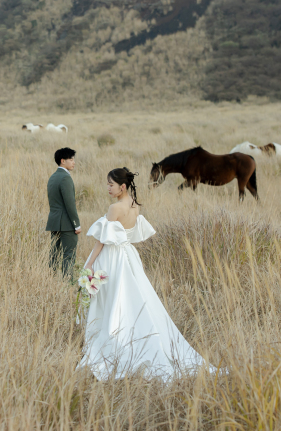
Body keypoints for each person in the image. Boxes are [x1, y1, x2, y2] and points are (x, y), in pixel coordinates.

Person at [79, 167, 209, 380]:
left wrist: (90, 264)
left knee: (111, 300)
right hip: (129, 256)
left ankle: (114, 342)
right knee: (133, 298)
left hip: (113, 258)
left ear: (122, 187)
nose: (108, 188)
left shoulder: (115, 208)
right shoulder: (134, 205)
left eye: (111, 184)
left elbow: (101, 241)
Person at [45, 147, 81, 279]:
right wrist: (76, 224)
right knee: (69, 255)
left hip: (54, 221)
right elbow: (70, 204)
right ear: (62, 161)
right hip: (66, 223)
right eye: (71, 159)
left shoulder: (53, 177)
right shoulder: (65, 178)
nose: (74, 162)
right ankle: (68, 284)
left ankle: (51, 280)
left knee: (53, 254)